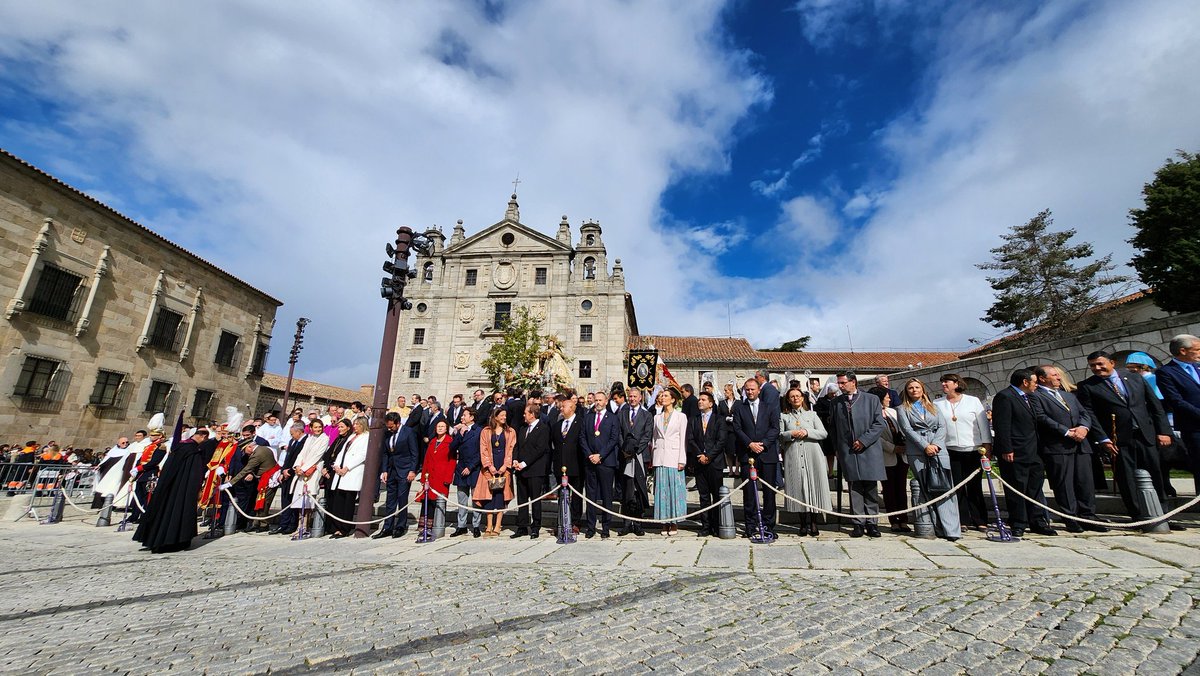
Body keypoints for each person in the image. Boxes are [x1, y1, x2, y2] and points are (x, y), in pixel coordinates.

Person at [1077, 351, 1177, 528]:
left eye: (1100, 364)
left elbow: (1155, 406)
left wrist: (1164, 431)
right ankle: (1138, 516)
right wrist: (1103, 439)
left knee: (1156, 474)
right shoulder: (1087, 386)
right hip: (1118, 439)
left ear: (1112, 363)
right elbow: (1090, 414)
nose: (1097, 368)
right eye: (1092, 366)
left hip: (1145, 434)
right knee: (1127, 479)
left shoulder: (1135, 378)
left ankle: (1163, 516)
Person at [1030, 365, 1105, 533]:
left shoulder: (1067, 395)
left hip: (1081, 444)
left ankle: (1088, 516)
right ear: (1043, 378)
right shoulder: (1036, 396)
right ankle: (1070, 517)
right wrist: (1066, 432)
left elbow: (1084, 413)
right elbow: (1041, 417)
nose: (1058, 378)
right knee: (1064, 484)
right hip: (1058, 446)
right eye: (1054, 375)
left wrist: (1083, 428)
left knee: (1085, 482)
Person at [894, 379, 961, 541]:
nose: (914, 390)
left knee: (944, 487)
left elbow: (942, 426)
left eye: (917, 387)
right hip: (917, 450)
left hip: (938, 449)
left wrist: (936, 444)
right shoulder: (902, 409)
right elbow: (907, 429)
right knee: (926, 488)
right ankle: (935, 526)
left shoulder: (934, 407)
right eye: (910, 388)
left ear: (923, 389)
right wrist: (925, 446)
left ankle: (951, 529)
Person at [992, 369, 1056, 537]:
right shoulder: (1005, 397)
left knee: (1035, 487)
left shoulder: (1030, 397)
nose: (1037, 384)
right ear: (1025, 382)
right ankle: (1018, 522)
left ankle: (1037, 521)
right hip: (1015, 451)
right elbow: (1002, 424)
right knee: (1017, 487)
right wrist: (1007, 448)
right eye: (1034, 381)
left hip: (1034, 450)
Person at [132, 427, 212, 553]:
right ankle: (174, 540)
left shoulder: (179, 447)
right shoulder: (193, 451)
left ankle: (155, 539)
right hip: (183, 488)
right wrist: (196, 488)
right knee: (178, 512)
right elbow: (195, 473)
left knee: (163, 510)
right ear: (202, 436)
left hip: (168, 486)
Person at [829, 373, 886, 538]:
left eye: (843, 383)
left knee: (870, 486)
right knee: (854, 487)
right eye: (838, 383)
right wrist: (837, 448)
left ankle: (872, 522)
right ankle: (858, 522)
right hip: (848, 451)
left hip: (868, 449)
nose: (840, 386)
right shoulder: (836, 403)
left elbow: (878, 423)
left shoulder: (871, 400)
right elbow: (833, 428)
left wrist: (864, 440)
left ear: (853, 382)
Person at [934, 374, 992, 531]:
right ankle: (963, 520)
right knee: (957, 487)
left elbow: (983, 424)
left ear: (956, 383)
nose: (944, 384)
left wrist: (987, 445)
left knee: (974, 486)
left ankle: (980, 519)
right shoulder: (938, 403)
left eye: (947, 382)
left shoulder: (972, 401)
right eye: (942, 382)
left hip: (973, 448)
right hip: (951, 449)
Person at [733, 378, 781, 538]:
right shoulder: (740, 408)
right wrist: (750, 444)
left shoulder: (769, 407)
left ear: (759, 390)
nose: (750, 392)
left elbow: (775, 428)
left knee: (769, 493)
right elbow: (737, 429)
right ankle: (751, 525)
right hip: (748, 455)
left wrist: (764, 444)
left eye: (752, 389)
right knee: (749, 492)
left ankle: (768, 526)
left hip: (767, 454)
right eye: (747, 389)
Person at [779, 387, 830, 537]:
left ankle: (813, 522)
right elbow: (780, 435)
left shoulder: (812, 415)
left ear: (802, 398)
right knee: (798, 487)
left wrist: (808, 432)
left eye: (798, 396)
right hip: (793, 454)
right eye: (792, 397)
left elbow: (823, 433)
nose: (795, 399)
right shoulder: (784, 416)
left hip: (812, 454)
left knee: (813, 486)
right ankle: (802, 523)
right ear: (788, 400)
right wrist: (791, 434)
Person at [1156, 334, 1200, 494]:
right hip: (1194, 429)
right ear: (1183, 351)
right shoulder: (1166, 372)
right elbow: (1176, 401)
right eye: (1197, 349)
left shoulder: (1198, 366)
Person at [581, 390, 620, 538]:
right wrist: (590, 455)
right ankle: (590, 527)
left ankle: (605, 527)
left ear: (605, 401)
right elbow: (582, 437)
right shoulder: (588, 417)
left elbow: (613, 439)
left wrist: (601, 455)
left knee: (606, 495)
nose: (597, 403)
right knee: (591, 495)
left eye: (600, 400)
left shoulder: (612, 418)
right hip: (590, 461)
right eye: (595, 400)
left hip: (606, 462)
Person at [278, 420, 327, 536]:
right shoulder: (309, 438)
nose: (317, 429)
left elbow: (317, 455)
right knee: (300, 499)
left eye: (319, 427)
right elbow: (301, 453)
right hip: (301, 471)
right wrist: (297, 466)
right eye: (315, 427)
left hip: (312, 470)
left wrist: (304, 468)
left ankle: (305, 527)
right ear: (311, 428)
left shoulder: (324, 439)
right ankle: (299, 526)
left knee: (308, 500)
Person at [687, 391, 726, 537]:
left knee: (716, 495)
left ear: (711, 403)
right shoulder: (694, 419)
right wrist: (700, 455)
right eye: (699, 399)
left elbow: (721, 441)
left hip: (714, 462)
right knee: (703, 496)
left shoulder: (719, 419)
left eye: (703, 399)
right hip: (699, 462)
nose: (700, 402)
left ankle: (716, 525)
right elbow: (690, 439)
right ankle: (705, 526)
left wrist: (709, 456)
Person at [871, 388, 910, 533]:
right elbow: (875, 436)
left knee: (901, 489)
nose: (889, 399)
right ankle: (893, 520)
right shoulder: (872, 414)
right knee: (889, 490)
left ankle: (904, 520)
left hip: (902, 456)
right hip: (887, 455)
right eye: (886, 397)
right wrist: (892, 448)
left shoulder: (893, 412)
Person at [221, 434, 278, 533]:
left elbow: (246, 470)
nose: (245, 453)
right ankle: (257, 523)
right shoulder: (261, 449)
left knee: (263, 503)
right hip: (263, 478)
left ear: (250, 447)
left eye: (245, 450)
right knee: (258, 502)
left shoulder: (257, 454)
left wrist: (230, 483)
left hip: (269, 479)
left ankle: (264, 524)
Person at [375, 412, 419, 539]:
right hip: (391, 470)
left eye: (391, 426)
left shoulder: (408, 432)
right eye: (388, 426)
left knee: (402, 499)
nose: (389, 429)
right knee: (390, 500)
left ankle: (400, 526)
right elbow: (385, 453)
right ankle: (387, 527)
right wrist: (384, 470)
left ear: (398, 423)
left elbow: (414, 453)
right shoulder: (388, 433)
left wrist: (412, 470)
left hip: (404, 470)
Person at [651, 389, 688, 536]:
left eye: (666, 396)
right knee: (661, 490)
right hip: (660, 456)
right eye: (661, 396)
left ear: (673, 399)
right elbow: (654, 438)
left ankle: (674, 521)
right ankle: (664, 520)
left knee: (674, 489)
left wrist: (682, 459)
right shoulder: (657, 417)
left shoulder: (680, 416)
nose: (662, 397)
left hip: (674, 456)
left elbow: (683, 438)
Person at [324, 417, 369, 538]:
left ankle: (344, 528)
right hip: (340, 472)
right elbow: (342, 452)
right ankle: (336, 527)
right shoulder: (351, 436)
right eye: (354, 424)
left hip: (352, 472)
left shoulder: (366, 437)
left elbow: (362, 454)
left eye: (357, 424)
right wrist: (337, 465)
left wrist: (347, 467)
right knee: (339, 500)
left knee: (348, 502)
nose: (355, 426)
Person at [512, 403, 551, 539]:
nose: (524, 415)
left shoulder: (543, 429)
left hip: (535, 469)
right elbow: (517, 446)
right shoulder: (523, 428)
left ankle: (535, 526)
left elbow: (539, 449)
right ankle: (522, 526)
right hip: (521, 470)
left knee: (535, 499)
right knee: (522, 500)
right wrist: (515, 460)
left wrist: (524, 463)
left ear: (532, 414)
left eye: (526, 413)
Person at [474, 408, 515, 536]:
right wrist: (489, 466)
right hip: (489, 466)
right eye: (502, 415)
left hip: (503, 465)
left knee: (500, 496)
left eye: (505, 415)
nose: (504, 417)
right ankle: (489, 525)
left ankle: (498, 525)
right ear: (495, 417)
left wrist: (505, 465)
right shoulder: (486, 431)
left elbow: (511, 449)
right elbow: (483, 449)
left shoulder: (510, 431)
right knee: (488, 496)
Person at [617, 387, 652, 536]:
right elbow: (618, 432)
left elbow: (647, 434)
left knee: (638, 490)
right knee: (627, 490)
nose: (632, 399)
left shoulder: (646, 415)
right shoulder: (622, 413)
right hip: (625, 457)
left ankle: (638, 522)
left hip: (639, 456)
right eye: (630, 396)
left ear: (640, 398)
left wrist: (635, 450)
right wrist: (625, 449)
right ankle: (626, 522)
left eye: (635, 396)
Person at [413, 420, 455, 542]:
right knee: (427, 501)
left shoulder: (449, 442)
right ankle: (423, 528)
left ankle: (433, 528)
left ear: (446, 428)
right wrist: (422, 478)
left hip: (441, 477)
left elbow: (452, 461)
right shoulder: (432, 441)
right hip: (429, 477)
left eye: (442, 426)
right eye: (438, 426)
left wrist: (448, 478)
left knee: (437, 502)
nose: (440, 428)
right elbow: (426, 460)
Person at [551, 394, 585, 533]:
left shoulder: (581, 422)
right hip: (561, 465)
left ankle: (575, 521)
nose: (561, 408)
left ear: (571, 408)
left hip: (576, 464)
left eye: (564, 406)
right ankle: (562, 521)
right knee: (562, 495)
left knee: (576, 496)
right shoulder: (557, 425)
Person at [269, 423, 309, 535]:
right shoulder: (292, 442)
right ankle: (283, 524)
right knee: (285, 500)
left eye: (292, 434)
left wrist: (290, 471)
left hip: (295, 473)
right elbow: (288, 457)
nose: (291, 436)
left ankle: (291, 524)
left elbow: (299, 458)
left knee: (293, 500)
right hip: (286, 473)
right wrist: (283, 471)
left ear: (299, 432)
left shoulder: (305, 441)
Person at [450, 407, 483, 537]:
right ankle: (461, 525)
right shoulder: (461, 431)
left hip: (474, 469)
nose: (462, 417)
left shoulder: (479, 431)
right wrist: (459, 434)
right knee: (462, 499)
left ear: (472, 417)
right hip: (461, 468)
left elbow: (481, 451)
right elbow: (452, 447)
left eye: (464, 415)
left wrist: (470, 467)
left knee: (476, 499)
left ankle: (476, 525)